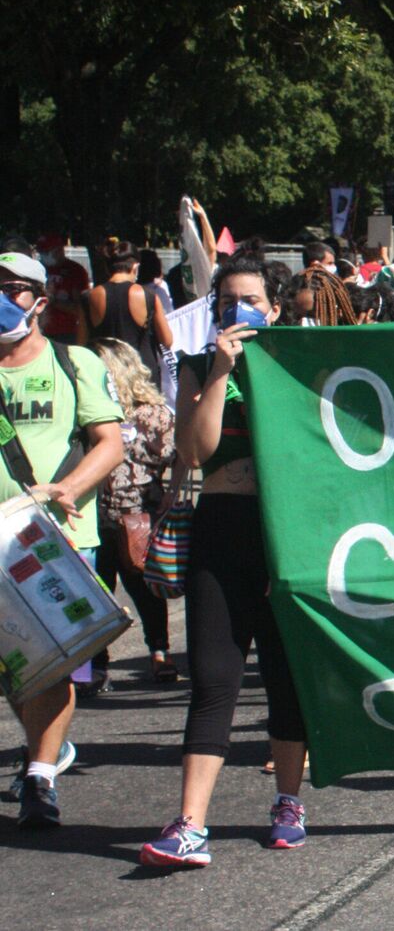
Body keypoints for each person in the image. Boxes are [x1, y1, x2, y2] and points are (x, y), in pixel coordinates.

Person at [141, 255, 309, 867]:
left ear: (274, 306)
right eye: (223, 303)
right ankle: (190, 824)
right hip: (222, 528)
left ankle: (288, 802)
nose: (234, 311)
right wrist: (218, 372)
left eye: (247, 300)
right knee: (214, 676)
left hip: (286, 532)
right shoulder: (195, 368)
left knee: (285, 675)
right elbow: (195, 449)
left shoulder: (300, 361)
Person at [0, 251, 126, 827]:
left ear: (40, 300)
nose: (3, 298)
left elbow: (109, 442)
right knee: (13, 669)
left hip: (56, 540)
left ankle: (39, 779)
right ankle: (43, 748)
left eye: (12, 288)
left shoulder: (74, 363)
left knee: (48, 665)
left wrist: (69, 487)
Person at [92, 338, 177, 684]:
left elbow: (179, 453)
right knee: (97, 592)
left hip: (139, 514)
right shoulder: (92, 413)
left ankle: (159, 651)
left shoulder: (152, 413)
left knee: (145, 589)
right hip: (95, 514)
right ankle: (97, 661)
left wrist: (170, 491)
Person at [85, 239, 175, 389]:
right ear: (136, 267)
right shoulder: (148, 296)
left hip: (105, 374)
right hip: (143, 375)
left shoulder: (89, 297)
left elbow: (82, 342)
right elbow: (167, 340)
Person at [36, 235, 90, 344]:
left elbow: (80, 308)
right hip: (40, 330)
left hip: (67, 332)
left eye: (47, 251)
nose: (43, 255)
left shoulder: (75, 270)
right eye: (41, 252)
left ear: (59, 250)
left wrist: (53, 301)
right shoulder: (39, 268)